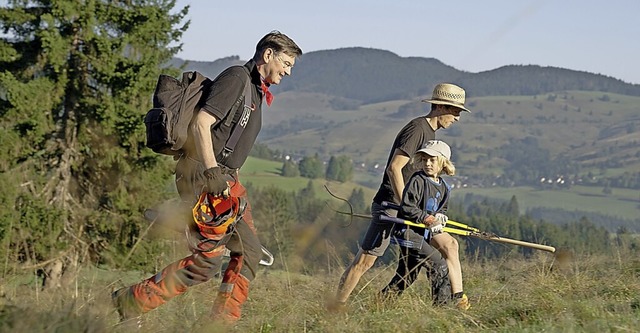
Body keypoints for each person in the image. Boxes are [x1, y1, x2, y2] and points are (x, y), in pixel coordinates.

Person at [112, 31, 302, 324]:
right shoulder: (237, 78)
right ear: (268, 55)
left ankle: (220, 323)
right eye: (286, 63)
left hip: (226, 181)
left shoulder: (255, 89)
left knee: (249, 253)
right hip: (205, 176)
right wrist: (214, 173)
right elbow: (203, 123)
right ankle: (131, 300)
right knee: (207, 263)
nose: (288, 71)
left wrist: (227, 178)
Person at [332, 83, 471, 309]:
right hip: (391, 206)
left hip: (407, 209)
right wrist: (407, 206)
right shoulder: (418, 129)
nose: (457, 118)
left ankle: (381, 306)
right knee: (365, 262)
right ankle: (335, 308)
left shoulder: (430, 132)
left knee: (411, 267)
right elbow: (395, 168)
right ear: (442, 107)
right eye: (455, 111)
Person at [384, 140, 470, 310]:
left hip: (421, 234)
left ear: (443, 162)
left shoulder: (444, 187)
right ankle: (442, 309)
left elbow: (442, 209)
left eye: (432, 160)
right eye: (424, 160)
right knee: (439, 265)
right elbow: (407, 208)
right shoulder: (418, 180)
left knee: (407, 274)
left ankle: (381, 302)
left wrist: (440, 216)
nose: (427, 164)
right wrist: (428, 219)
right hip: (407, 233)